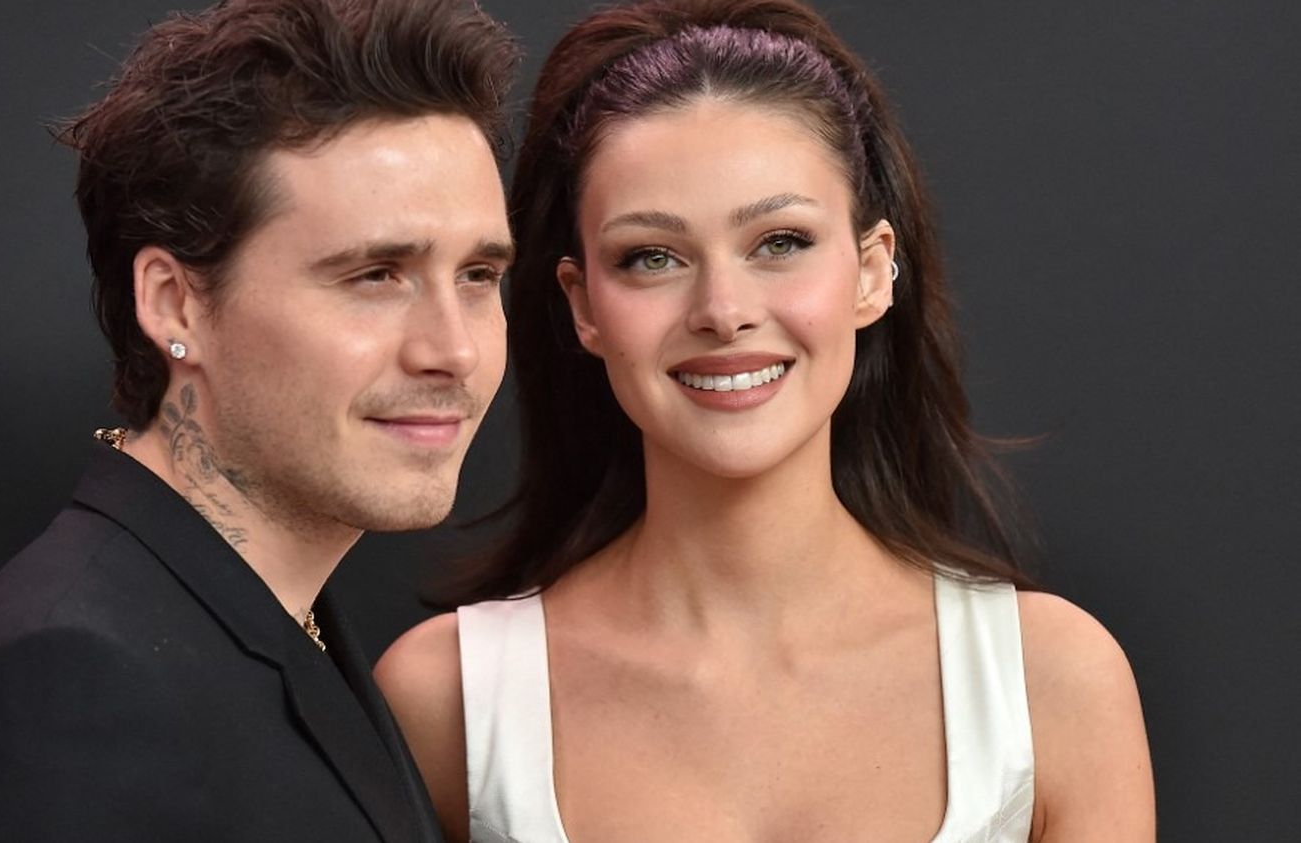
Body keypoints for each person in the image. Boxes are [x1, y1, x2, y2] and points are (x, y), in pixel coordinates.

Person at [375, 1, 1155, 841]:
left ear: (872, 271)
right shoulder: (446, 700)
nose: (723, 309)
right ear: (583, 305)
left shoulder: (1052, 685)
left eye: (780, 242)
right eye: (653, 257)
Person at [0, 1, 517, 840]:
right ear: (174, 304)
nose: (454, 350)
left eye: (479, 275)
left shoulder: (275, 617)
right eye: (376, 275)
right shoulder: (67, 684)